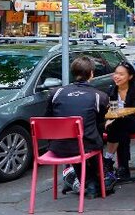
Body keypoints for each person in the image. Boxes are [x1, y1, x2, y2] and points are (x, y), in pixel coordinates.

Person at [46, 56, 112, 199]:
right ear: (92, 74)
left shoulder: (55, 93)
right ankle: (93, 182)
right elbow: (100, 122)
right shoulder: (99, 96)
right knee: (94, 137)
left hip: (57, 146)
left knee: (81, 140)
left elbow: (49, 118)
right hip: (85, 146)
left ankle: (87, 181)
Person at [104, 61, 135, 183]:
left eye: (121, 74)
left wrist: (117, 116)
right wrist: (110, 118)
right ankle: (123, 169)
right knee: (120, 129)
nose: (117, 76)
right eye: (116, 73)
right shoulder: (111, 90)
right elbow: (107, 109)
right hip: (118, 124)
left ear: (130, 76)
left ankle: (108, 160)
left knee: (119, 124)